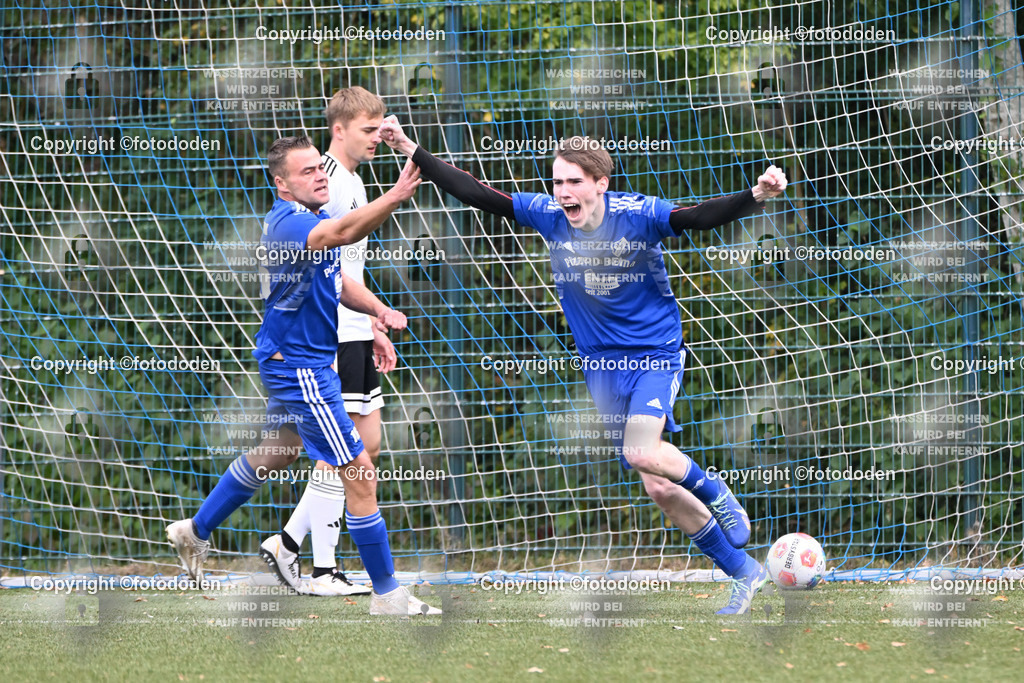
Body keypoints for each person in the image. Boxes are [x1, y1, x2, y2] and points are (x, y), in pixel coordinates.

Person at [379, 121, 787, 615]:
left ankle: (715, 490)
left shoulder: (638, 214)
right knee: (657, 481)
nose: (562, 191)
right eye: (557, 181)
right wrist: (409, 147)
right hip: (601, 369)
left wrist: (755, 196)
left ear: (600, 184)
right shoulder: (550, 216)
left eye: (573, 181)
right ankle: (743, 570)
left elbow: (699, 217)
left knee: (641, 451)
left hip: (654, 353)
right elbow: (476, 192)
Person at [167, 134, 439, 615]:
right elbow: (341, 236)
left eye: (320, 167)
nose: (320, 175)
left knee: (279, 451)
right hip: (302, 371)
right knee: (360, 471)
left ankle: (195, 530)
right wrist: (394, 197)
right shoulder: (292, 225)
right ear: (283, 185)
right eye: (308, 171)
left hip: (286, 361)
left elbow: (336, 281)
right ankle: (386, 594)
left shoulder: (310, 219)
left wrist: (376, 312)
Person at [261, 87, 401, 598]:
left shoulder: (351, 180)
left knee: (357, 448)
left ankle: (291, 544)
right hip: (330, 337)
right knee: (344, 453)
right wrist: (363, 326)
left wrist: (376, 322)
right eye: (369, 130)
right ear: (338, 129)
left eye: (381, 128)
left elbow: (345, 270)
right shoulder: (328, 185)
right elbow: (329, 267)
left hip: (351, 329)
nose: (378, 138)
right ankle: (319, 566)